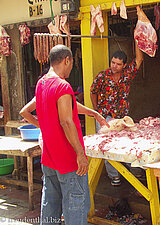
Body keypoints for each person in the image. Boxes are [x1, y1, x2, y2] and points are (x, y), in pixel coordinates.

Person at [20, 45, 109, 225]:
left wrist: (94, 113)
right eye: (71, 63)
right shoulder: (63, 86)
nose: (71, 68)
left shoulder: (42, 83)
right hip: (69, 161)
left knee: (50, 205)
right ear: (67, 60)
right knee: (75, 207)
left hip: (49, 158)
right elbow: (67, 121)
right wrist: (80, 154)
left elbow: (27, 112)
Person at [90, 41, 143, 186]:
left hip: (122, 118)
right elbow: (93, 92)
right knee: (107, 147)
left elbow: (139, 60)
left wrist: (137, 38)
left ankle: (126, 172)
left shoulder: (128, 74)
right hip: (105, 117)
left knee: (125, 145)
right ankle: (114, 176)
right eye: (113, 62)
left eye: (118, 64)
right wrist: (96, 111)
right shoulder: (102, 76)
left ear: (124, 65)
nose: (114, 66)